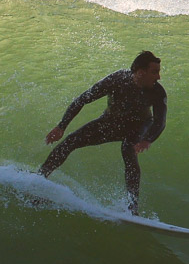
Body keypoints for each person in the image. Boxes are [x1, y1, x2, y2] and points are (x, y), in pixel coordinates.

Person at [38, 51, 167, 215]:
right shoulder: (116, 80)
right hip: (111, 123)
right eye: (154, 72)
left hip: (138, 127)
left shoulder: (157, 92)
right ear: (141, 72)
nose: (159, 77)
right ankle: (38, 179)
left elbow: (160, 122)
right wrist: (61, 126)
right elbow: (83, 99)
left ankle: (132, 207)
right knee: (70, 141)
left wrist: (147, 139)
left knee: (128, 148)